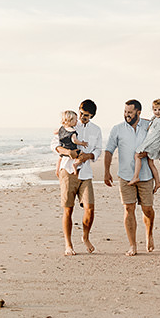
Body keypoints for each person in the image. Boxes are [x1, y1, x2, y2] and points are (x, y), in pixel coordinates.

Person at [104, 99, 156, 256]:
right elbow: (108, 150)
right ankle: (132, 245)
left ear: (138, 112)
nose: (126, 114)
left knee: (147, 209)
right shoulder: (117, 129)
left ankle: (149, 234)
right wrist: (106, 171)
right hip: (125, 176)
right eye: (125, 111)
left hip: (146, 175)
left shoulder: (149, 126)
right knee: (129, 208)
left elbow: (157, 145)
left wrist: (147, 153)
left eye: (130, 112)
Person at [52, 100, 102, 256]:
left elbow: (99, 149)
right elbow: (54, 145)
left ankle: (85, 237)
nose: (82, 117)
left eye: (86, 115)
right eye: (81, 113)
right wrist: (69, 153)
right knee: (68, 209)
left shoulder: (96, 130)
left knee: (90, 208)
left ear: (92, 115)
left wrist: (90, 155)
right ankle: (68, 244)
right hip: (67, 170)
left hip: (85, 173)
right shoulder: (70, 124)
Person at [127, 98, 160, 190]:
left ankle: (136, 176)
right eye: (155, 109)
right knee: (150, 163)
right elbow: (150, 123)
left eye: (159, 109)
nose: (157, 112)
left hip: (154, 142)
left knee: (137, 155)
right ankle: (158, 182)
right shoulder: (154, 119)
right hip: (152, 141)